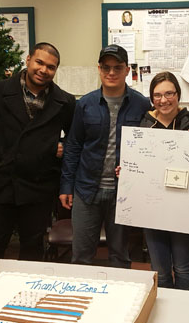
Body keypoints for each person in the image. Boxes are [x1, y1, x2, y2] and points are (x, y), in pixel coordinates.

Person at [0, 42, 76, 270]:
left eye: (51, 67)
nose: (44, 70)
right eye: (40, 62)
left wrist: (61, 145)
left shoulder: (64, 102)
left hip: (39, 187)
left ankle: (29, 296)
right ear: (28, 60)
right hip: (0, 183)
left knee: (33, 247)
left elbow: (75, 139)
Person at [59, 44, 150, 268]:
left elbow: (149, 148)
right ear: (98, 69)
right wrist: (66, 186)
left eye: (117, 68)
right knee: (81, 256)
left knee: (120, 257)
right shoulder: (85, 104)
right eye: (106, 67)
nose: (111, 73)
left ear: (127, 70)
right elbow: (73, 147)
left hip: (123, 194)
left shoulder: (142, 105)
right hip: (86, 190)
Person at [140, 71, 189, 290]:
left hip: (183, 209)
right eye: (157, 95)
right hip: (154, 209)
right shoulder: (144, 126)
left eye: (169, 93)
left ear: (178, 95)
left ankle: (185, 312)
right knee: (159, 269)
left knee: (183, 267)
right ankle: (162, 309)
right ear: (151, 98)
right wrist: (128, 170)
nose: (163, 99)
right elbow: (138, 164)